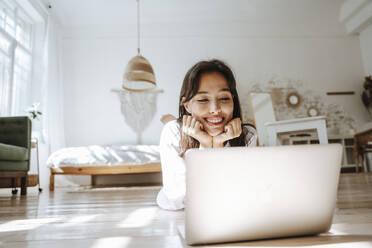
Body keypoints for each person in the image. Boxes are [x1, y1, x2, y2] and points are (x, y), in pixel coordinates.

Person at [156, 59, 258, 210]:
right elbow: (182, 197)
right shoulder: (172, 132)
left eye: (224, 98)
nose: (215, 109)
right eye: (203, 99)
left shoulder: (247, 134)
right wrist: (204, 143)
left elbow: (243, 191)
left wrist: (217, 143)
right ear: (187, 105)